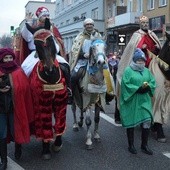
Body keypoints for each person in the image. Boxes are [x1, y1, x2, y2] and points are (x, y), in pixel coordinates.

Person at [21, 6, 72, 104]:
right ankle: (26, 92)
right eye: (44, 15)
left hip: (51, 54)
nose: (46, 17)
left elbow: (56, 43)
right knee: (24, 68)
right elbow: (26, 37)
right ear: (39, 17)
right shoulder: (33, 27)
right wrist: (27, 22)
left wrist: (55, 50)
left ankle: (69, 89)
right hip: (36, 54)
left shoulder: (52, 28)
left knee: (66, 65)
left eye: (48, 15)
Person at [0, 48, 34, 169]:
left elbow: (25, 89)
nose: (8, 60)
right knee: (1, 133)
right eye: (6, 58)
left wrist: (14, 90)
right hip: (1, 110)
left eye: (10, 57)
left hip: (15, 108)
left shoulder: (19, 71)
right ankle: (3, 160)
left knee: (16, 130)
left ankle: (18, 147)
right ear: (1, 59)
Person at [120, 48, 156, 155]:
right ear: (134, 60)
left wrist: (148, 87)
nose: (141, 62)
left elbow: (152, 82)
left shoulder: (147, 71)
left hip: (144, 100)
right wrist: (137, 88)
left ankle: (144, 145)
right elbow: (125, 84)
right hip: (131, 101)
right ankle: (131, 145)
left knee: (147, 120)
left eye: (142, 60)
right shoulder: (128, 70)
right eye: (138, 60)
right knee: (131, 122)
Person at [70, 18, 114, 100]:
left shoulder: (98, 36)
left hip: (97, 61)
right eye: (87, 25)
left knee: (108, 74)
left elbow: (103, 48)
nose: (89, 26)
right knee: (74, 76)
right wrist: (83, 55)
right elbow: (74, 51)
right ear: (84, 26)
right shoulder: (80, 37)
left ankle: (109, 94)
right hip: (83, 61)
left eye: (91, 24)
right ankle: (72, 95)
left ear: (93, 25)